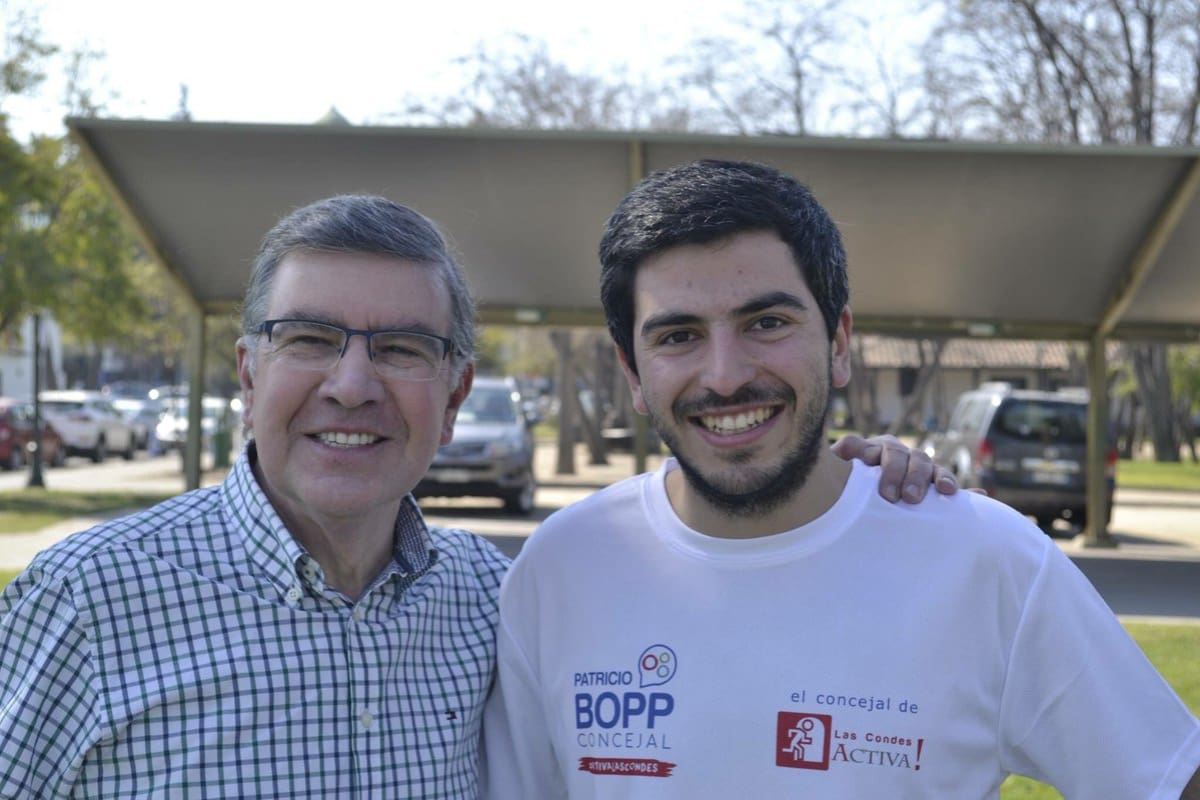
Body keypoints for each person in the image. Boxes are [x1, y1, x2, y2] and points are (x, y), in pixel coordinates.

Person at [0, 193, 950, 797]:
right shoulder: (88, 599)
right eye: (311, 339)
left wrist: (836, 482)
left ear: (453, 398)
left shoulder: (494, 598)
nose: (354, 385)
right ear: (248, 373)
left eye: (404, 349)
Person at [481, 160, 1200, 799]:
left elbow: (1166, 775)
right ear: (632, 373)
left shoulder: (988, 560)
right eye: (678, 336)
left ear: (840, 343)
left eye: (765, 322)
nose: (725, 375)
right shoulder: (560, 567)